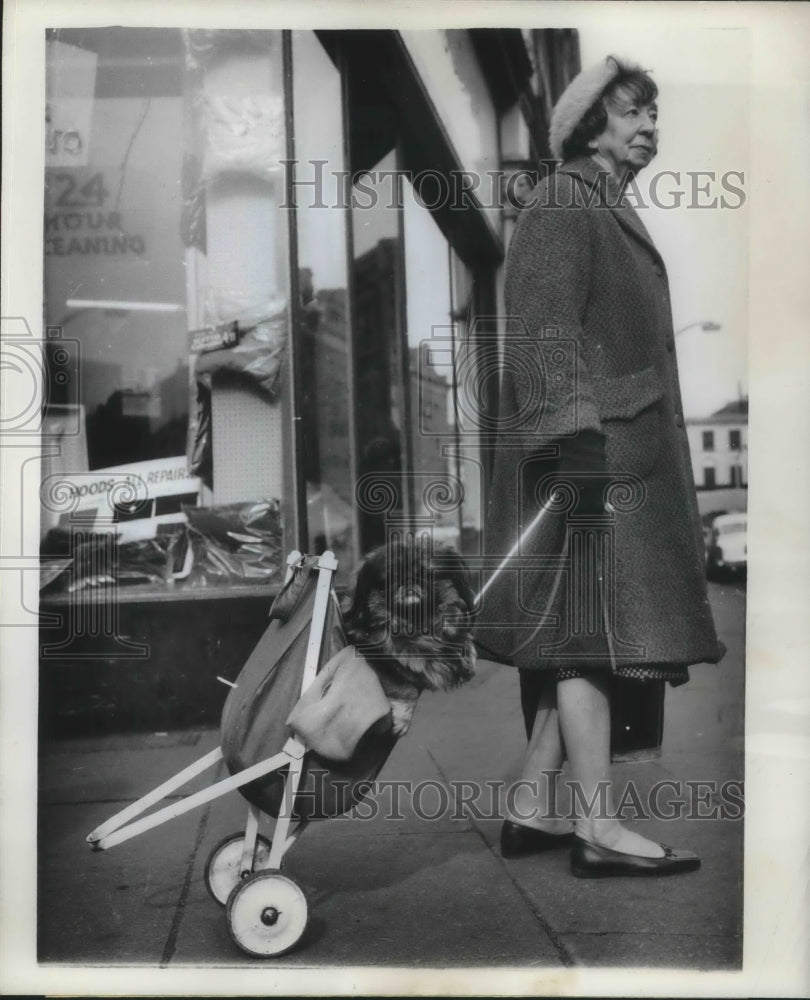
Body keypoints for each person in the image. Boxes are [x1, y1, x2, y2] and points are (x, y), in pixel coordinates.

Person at [481, 56, 725, 876]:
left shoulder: (604, 203)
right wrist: (574, 442)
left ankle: (529, 805)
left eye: (654, 113)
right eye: (632, 113)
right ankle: (597, 827)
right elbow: (542, 329)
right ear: (591, 124)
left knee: (576, 635)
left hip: (617, 453)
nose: (650, 126)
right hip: (593, 456)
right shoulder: (563, 199)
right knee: (590, 639)